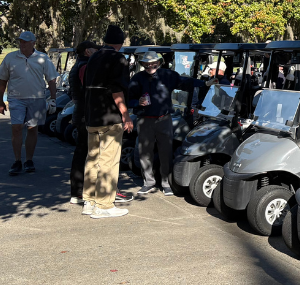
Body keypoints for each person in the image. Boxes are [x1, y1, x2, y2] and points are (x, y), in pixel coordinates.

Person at [128, 50, 203, 195]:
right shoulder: (137, 78)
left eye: (153, 63)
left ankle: (165, 183)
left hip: (164, 119)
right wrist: (137, 102)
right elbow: (128, 98)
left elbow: (185, 82)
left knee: (166, 152)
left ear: (159, 62)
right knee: (145, 153)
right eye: (147, 64)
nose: (150, 66)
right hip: (145, 120)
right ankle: (148, 182)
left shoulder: (168, 75)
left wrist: (205, 82)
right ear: (142, 64)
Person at [83, 25, 134, 218]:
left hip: (92, 113)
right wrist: (125, 114)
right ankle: (104, 205)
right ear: (121, 43)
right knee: (109, 160)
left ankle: (89, 200)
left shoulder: (94, 57)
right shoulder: (117, 58)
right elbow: (116, 89)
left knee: (92, 158)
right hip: (109, 115)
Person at [0, 30, 58, 176]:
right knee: (17, 128)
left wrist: (53, 98)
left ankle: (29, 160)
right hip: (16, 98)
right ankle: (17, 160)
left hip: (37, 98)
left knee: (32, 129)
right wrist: (0, 100)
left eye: (25, 42)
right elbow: (2, 80)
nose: (22, 44)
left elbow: (51, 79)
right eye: (21, 41)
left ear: (33, 43)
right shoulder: (10, 58)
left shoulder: (42, 58)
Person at [68, 40, 99, 203]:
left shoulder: (78, 65)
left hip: (80, 112)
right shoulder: (85, 66)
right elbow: (89, 90)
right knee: (85, 154)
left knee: (82, 153)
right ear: (87, 51)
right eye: (95, 49)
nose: (98, 51)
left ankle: (77, 191)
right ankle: (79, 191)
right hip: (85, 114)